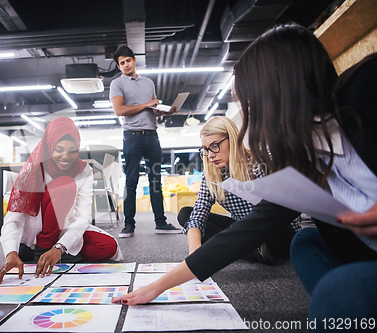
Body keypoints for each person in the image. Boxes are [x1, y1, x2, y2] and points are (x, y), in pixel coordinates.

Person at [112, 24, 377, 331]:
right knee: (307, 242)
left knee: (337, 292)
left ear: (277, 89)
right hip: (356, 248)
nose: (247, 113)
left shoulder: (365, 90)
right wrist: (158, 286)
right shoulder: (301, 153)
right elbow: (252, 226)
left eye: (247, 101)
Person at [0, 117, 122, 285]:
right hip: (37, 231)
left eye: (72, 150)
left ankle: (45, 253)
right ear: (50, 147)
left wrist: (60, 247)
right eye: (59, 149)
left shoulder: (85, 170)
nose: (66, 156)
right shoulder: (32, 169)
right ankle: (42, 250)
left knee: (109, 246)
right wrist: (11, 253)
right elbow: (14, 218)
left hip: (63, 227)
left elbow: (82, 217)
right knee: (65, 185)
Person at [177, 116, 300, 264]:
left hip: (275, 229)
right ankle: (253, 252)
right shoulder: (212, 174)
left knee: (273, 224)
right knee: (186, 213)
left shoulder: (259, 163)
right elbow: (199, 212)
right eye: (205, 149)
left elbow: (281, 212)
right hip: (243, 232)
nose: (210, 155)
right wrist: (195, 251)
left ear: (233, 140)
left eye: (215, 146)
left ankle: (245, 251)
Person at [109, 45, 182, 237]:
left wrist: (164, 110)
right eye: (121, 63)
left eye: (127, 61)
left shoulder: (148, 82)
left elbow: (152, 111)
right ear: (119, 66)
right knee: (131, 181)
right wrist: (147, 104)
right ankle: (129, 225)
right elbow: (120, 110)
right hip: (131, 137)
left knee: (156, 181)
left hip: (152, 136)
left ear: (134, 60)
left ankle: (161, 223)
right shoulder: (117, 84)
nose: (125, 65)